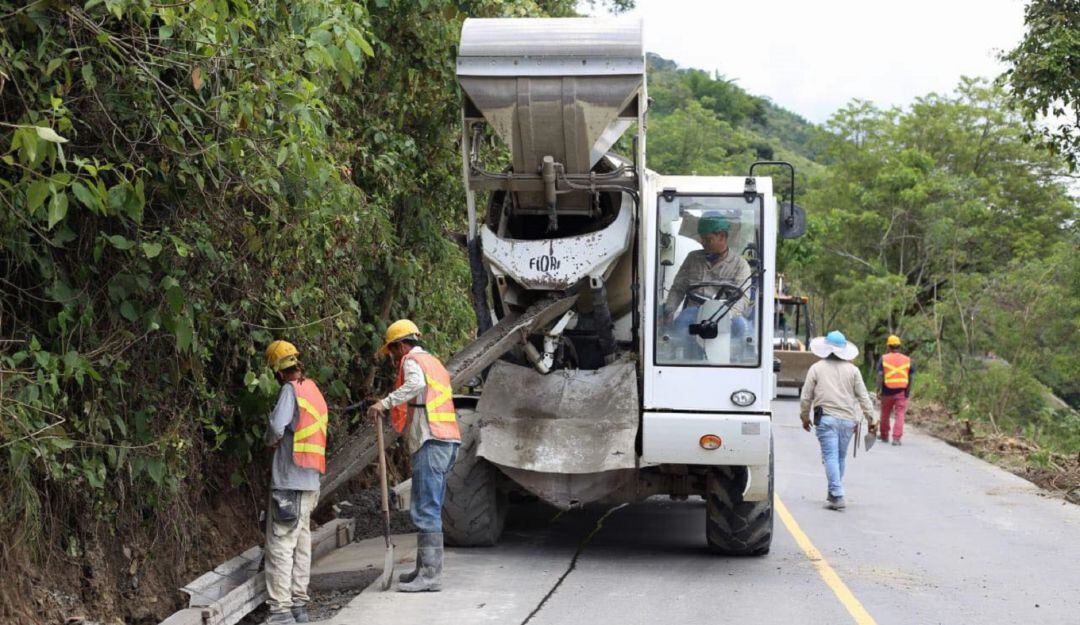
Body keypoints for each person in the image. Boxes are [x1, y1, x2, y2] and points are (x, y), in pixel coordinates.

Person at [367, 319, 461, 592]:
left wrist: (384, 403)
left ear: (401, 344)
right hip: (448, 439)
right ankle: (424, 570)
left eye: (393, 350)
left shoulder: (412, 361)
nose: (393, 357)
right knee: (430, 505)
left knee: (426, 508)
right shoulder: (433, 361)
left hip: (431, 440)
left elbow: (416, 385)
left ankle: (430, 576)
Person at [262, 340, 329, 624]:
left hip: (289, 479)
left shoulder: (289, 391)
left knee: (280, 543)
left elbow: (278, 426)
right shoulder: (312, 389)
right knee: (302, 542)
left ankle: (280, 611)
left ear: (277, 371)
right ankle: (299, 605)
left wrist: (270, 441)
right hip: (311, 480)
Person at [799, 331, 877, 511]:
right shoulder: (853, 370)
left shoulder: (817, 368)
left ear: (826, 348)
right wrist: (871, 419)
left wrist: (804, 416)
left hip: (826, 420)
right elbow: (864, 397)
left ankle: (837, 493)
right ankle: (833, 492)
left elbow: (806, 396)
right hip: (848, 421)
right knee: (840, 457)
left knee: (831, 457)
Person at [663, 214, 752, 351]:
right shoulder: (693, 258)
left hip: (726, 312)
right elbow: (677, 288)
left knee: (744, 330)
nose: (702, 243)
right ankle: (684, 360)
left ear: (722, 236)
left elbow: (743, 299)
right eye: (702, 238)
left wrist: (726, 316)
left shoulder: (740, 265)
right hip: (694, 311)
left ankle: (738, 365)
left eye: (708, 239)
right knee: (679, 327)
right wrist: (670, 310)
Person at [876, 334, 914, 445]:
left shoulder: (884, 358)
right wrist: (908, 391)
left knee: (885, 413)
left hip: (887, 391)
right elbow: (911, 377)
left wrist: (878, 389)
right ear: (899, 347)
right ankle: (896, 439)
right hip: (901, 391)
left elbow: (879, 375)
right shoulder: (907, 359)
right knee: (900, 414)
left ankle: (884, 436)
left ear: (888, 347)